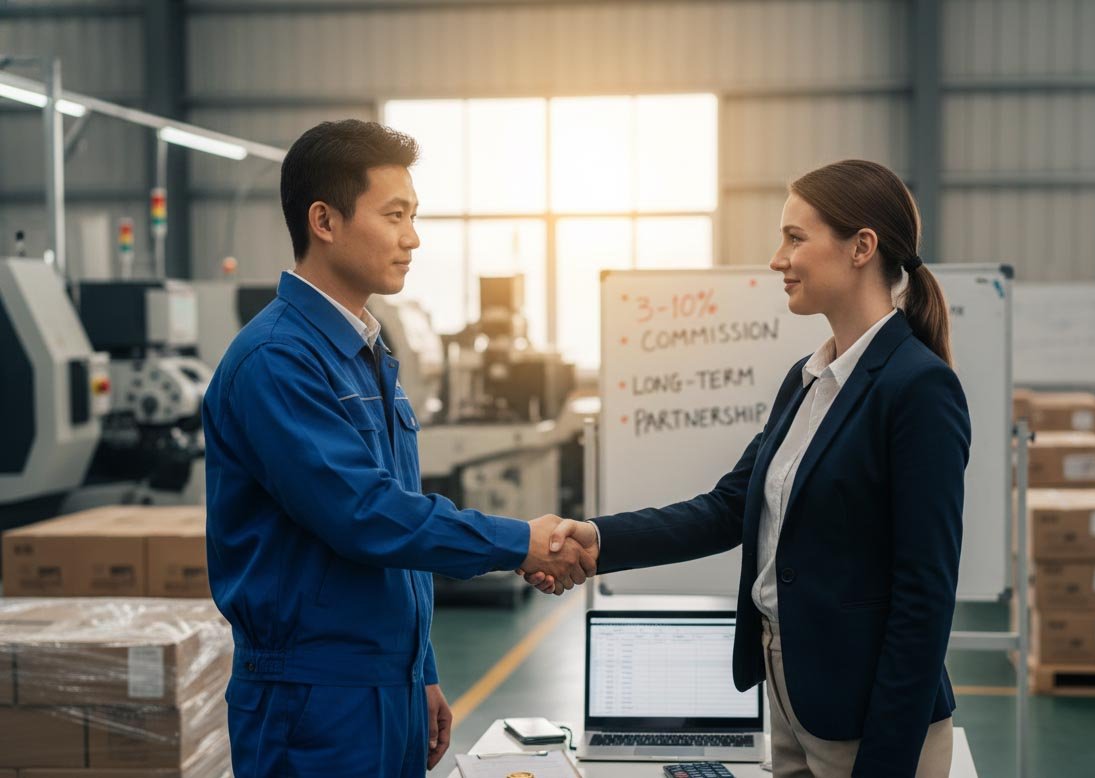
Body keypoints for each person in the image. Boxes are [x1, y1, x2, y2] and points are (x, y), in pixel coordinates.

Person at [532, 160, 971, 777]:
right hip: (792, 698)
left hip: (870, 721)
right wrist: (597, 539)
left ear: (861, 247)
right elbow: (729, 508)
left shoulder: (918, 387)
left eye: (796, 238)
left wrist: (885, 761)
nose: (777, 259)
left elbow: (925, 595)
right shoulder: (809, 379)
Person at [203, 119, 594, 777]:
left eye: (413, 216)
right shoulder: (279, 361)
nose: (412, 238)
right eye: (395, 215)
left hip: (381, 685)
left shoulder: (365, 353)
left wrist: (420, 667)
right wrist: (518, 541)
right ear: (324, 221)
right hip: (313, 704)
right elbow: (366, 514)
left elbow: (399, 524)